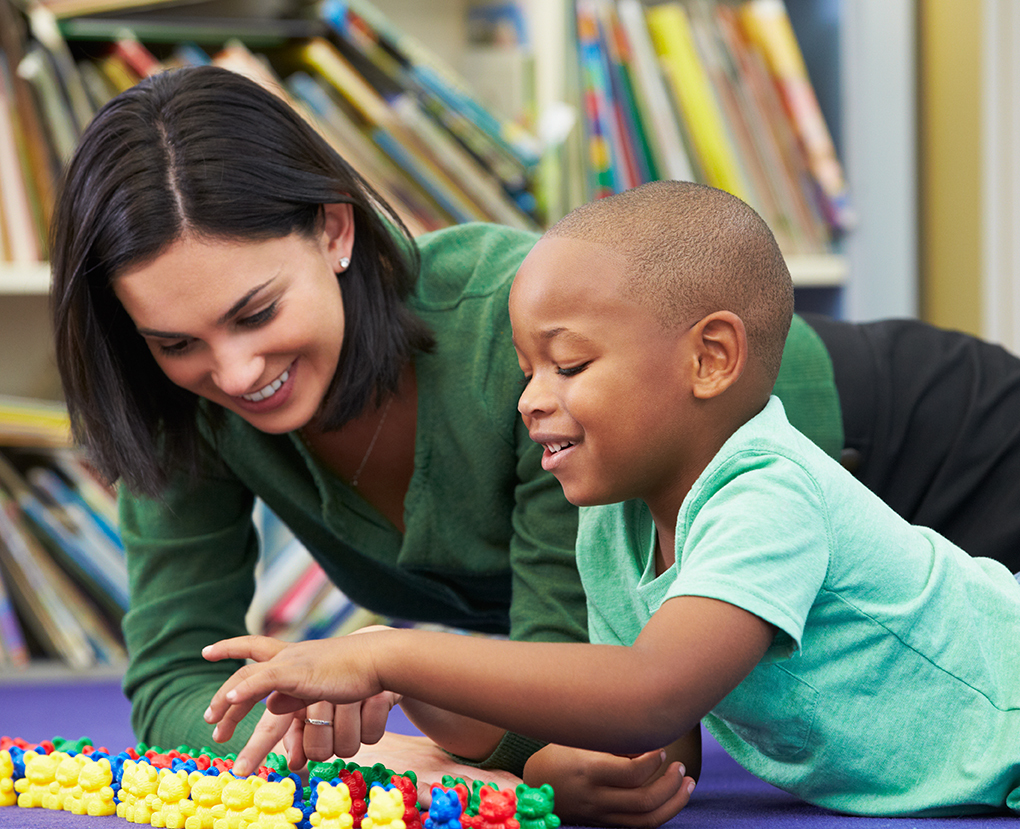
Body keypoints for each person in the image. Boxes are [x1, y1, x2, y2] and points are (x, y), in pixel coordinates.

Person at [50, 63, 1020, 824]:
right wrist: (342, 739)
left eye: (256, 311)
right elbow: (624, 726)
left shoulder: (545, 366)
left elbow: (634, 691)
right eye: (175, 342)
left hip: (935, 451)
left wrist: (390, 664)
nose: (230, 370)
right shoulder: (176, 404)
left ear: (334, 232)